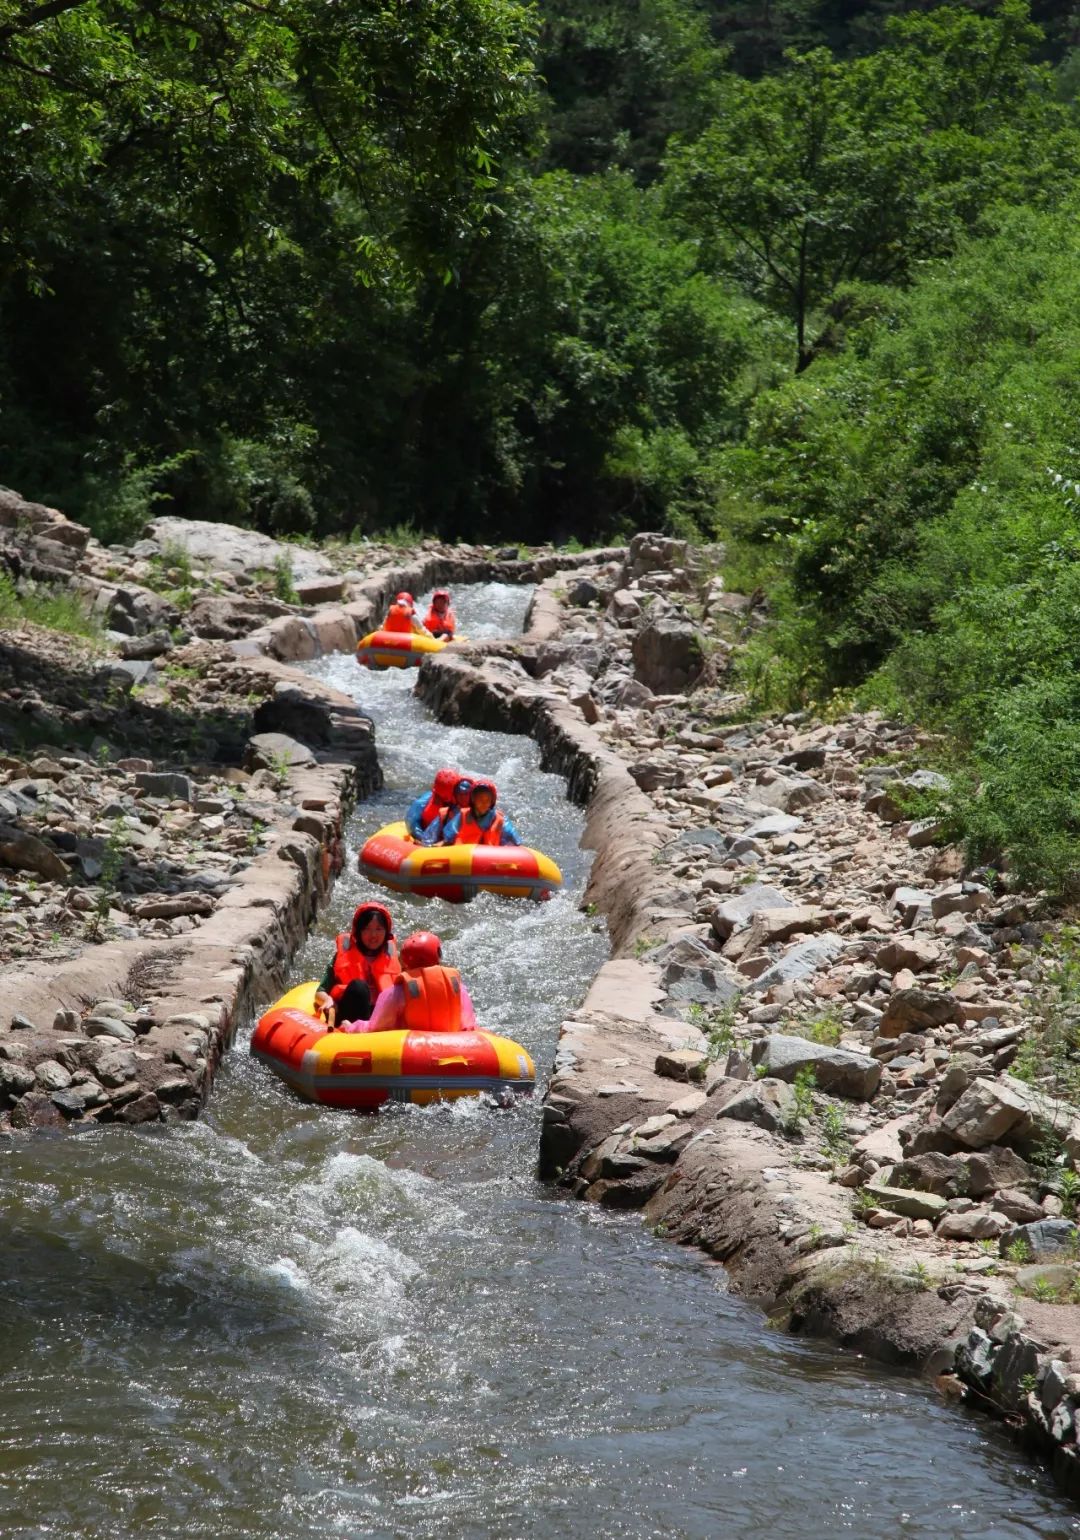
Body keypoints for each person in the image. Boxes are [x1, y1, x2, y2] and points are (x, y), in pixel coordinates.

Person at [360, 931, 479, 1034]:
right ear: (437, 956)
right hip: (452, 1048)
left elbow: (376, 1028)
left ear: (405, 962)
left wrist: (350, 1027)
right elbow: (468, 1025)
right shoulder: (458, 988)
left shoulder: (396, 992)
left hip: (410, 1052)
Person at [315, 903, 400, 1026]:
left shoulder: (393, 959)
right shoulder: (344, 956)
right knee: (359, 987)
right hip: (349, 1017)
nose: (373, 935)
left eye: (379, 929)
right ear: (358, 931)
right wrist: (328, 1000)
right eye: (367, 929)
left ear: (386, 932)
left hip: (380, 1020)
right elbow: (320, 991)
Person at [441, 777, 522, 847]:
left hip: (489, 860)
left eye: (487, 800)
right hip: (462, 857)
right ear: (473, 800)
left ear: (492, 802)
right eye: (480, 799)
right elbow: (448, 837)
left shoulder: (500, 819)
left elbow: (516, 841)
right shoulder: (463, 815)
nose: (484, 803)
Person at [404, 767, 469, 845]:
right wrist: (422, 838)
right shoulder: (423, 802)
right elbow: (411, 822)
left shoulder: (465, 796)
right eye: (439, 795)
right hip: (428, 834)